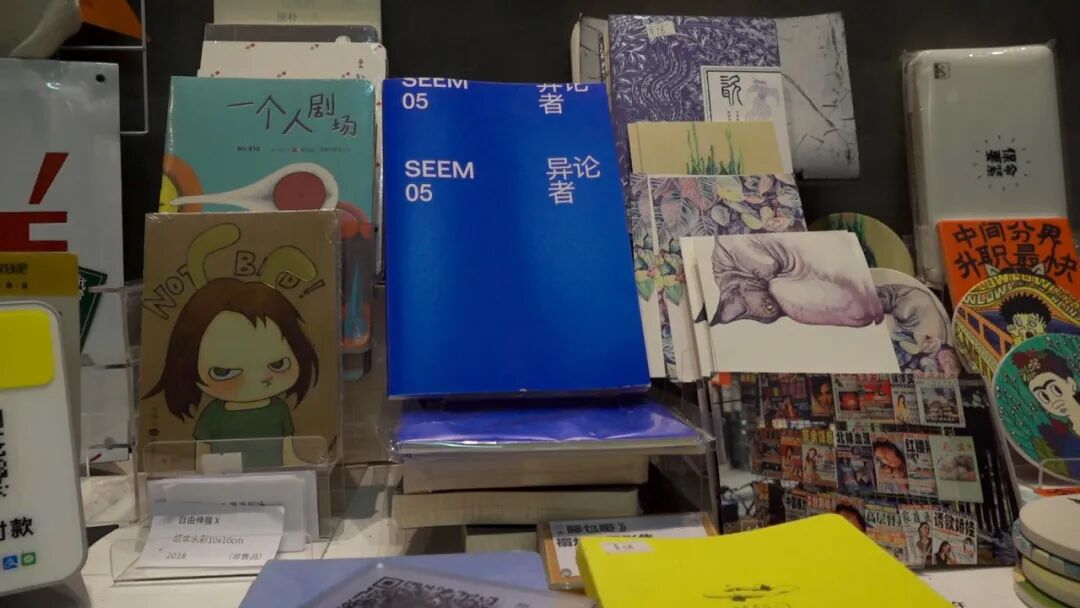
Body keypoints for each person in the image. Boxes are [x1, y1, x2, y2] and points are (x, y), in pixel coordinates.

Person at [1010, 348, 1080, 479]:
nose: (1053, 400)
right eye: (1043, 396)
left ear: (1071, 383)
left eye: (1056, 389)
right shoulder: (1067, 442)